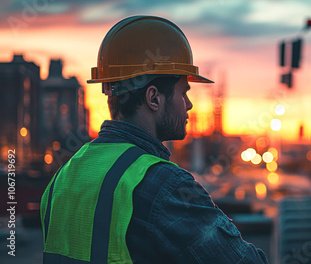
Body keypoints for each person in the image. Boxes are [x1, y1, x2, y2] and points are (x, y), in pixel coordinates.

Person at [40, 16, 268, 264]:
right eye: (183, 93)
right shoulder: (164, 186)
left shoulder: (62, 178)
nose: (189, 105)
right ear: (154, 98)